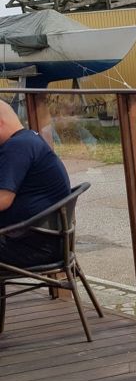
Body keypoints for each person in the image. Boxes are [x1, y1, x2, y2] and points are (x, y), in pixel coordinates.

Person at [0, 99, 71, 268]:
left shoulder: (16, 147)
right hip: (45, 241)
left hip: (31, 246)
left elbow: (3, 200)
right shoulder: (29, 140)